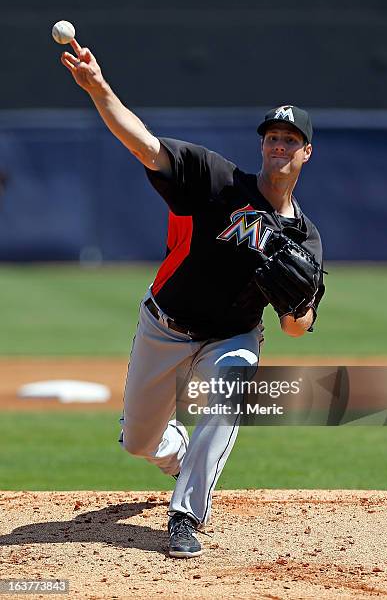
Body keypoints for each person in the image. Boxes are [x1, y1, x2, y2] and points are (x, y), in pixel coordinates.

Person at [60, 40, 325, 558]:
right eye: (272, 137)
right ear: (262, 147)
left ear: (305, 153)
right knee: (139, 441)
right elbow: (144, 145)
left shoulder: (305, 237)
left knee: (230, 395)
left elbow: (299, 325)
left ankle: (185, 514)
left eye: (290, 140)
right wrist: (99, 88)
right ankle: (176, 450)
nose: (279, 146)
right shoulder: (218, 181)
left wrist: (292, 302)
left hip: (232, 335)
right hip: (165, 324)